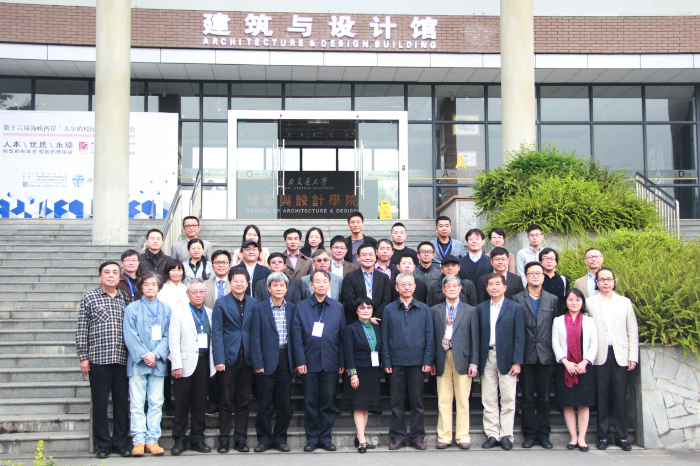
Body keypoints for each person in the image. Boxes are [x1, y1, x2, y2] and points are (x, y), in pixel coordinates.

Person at [76, 261, 132, 459]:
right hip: (98, 359)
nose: (111, 276)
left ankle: (121, 443)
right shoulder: (90, 297)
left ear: (119, 277)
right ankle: (103, 445)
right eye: (107, 272)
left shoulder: (124, 297)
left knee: (121, 403)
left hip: (122, 358)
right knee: (100, 404)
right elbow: (82, 328)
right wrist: (83, 357)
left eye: (115, 272)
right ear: (100, 277)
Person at [292, 270, 346, 452]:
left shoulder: (337, 307)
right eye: (318, 281)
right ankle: (313, 438)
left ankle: (325, 437)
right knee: (310, 402)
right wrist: (300, 361)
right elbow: (297, 337)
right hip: (309, 362)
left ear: (329, 285)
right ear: (311, 285)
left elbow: (342, 336)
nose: (321, 284)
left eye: (324, 281)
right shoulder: (301, 307)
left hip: (331, 362)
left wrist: (342, 361)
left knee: (328, 402)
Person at [587, 268, 639, 452]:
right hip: (599, 355)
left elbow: (632, 330)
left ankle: (621, 436)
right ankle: (603, 436)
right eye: (602, 279)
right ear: (597, 282)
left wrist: (633, 356)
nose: (606, 282)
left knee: (620, 397)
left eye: (609, 279)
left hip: (620, 355)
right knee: (601, 398)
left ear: (614, 281)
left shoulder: (624, 302)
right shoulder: (589, 302)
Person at [381, 273, 434, 451]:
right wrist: (386, 361)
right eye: (402, 285)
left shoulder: (424, 309)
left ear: (415, 287)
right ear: (396, 287)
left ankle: (417, 437)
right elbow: (385, 337)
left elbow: (429, 336)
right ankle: (398, 437)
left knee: (417, 403)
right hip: (396, 363)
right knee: (397, 403)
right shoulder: (389, 309)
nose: (406, 287)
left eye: (409, 284)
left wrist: (428, 360)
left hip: (417, 362)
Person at [123, 271, 171, 456]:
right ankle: (138, 440)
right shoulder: (132, 308)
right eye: (147, 284)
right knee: (137, 403)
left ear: (159, 288)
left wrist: (156, 354)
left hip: (158, 362)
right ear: (140, 288)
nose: (150, 288)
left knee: (156, 402)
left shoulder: (166, 309)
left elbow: (168, 334)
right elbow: (130, 335)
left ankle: (152, 439)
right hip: (138, 362)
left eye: (154, 284)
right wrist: (145, 355)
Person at [512, 262, 559, 449]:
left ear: (544, 277)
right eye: (532, 273)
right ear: (526, 277)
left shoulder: (552, 300)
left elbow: (556, 327)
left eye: (539, 273)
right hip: (526, 355)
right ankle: (529, 434)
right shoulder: (517, 299)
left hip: (547, 355)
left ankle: (544, 434)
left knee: (544, 398)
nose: (536, 276)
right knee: (527, 398)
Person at [212, 268, 258, 453]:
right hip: (228, 359)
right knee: (225, 401)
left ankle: (240, 439)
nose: (239, 284)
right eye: (235, 281)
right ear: (230, 283)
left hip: (247, 359)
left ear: (247, 283)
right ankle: (224, 439)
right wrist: (219, 358)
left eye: (242, 281)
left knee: (243, 402)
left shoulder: (254, 303)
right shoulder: (221, 303)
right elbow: (216, 332)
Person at [430, 275, 479, 450]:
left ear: (460, 289)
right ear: (443, 290)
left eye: (454, 286)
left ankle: (462, 436)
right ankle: (444, 436)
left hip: (463, 358)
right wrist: (431, 360)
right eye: (448, 286)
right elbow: (431, 338)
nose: (451, 289)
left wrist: (474, 362)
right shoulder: (434, 310)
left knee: (463, 400)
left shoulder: (470, 310)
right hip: (442, 358)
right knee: (443, 399)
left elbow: (475, 338)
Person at [477, 273, 525, 451]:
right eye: (491, 284)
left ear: (505, 287)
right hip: (487, 356)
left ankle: (506, 435)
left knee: (508, 397)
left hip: (507, 357)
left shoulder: (515, 308)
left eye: (498, 284)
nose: (494, 287)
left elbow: (520, 336)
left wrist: (517, 361)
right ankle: (492, 434)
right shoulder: (480, 308)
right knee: (488, 398)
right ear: (487, 288)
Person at [250, 272, 297, 453]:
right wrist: (257, 363)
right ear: (269, 289)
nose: (278, 288)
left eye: (281, 285)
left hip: (285, 359)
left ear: (286, 288)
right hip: (265, 360)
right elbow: (255, 338)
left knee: (284, 404)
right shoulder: (259, 308)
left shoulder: (292, 308)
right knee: (264, 403)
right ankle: (264, 439)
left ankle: (280, 438)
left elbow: (296, 337)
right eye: (275, 285)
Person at [168, 279, 216, 455]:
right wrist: (176, 364)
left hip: (204, 362)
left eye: (201, 292)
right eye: (194, 292)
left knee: (200, 403)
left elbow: (214, 339)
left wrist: (213, 366)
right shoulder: (179, 312)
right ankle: (179, 439)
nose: (198, 295)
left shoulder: (210, 313)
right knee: (181, 403)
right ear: (187, 294)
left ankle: (197, 438)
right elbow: (173, 339)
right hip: (184, 363)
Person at [552, 288, 598, 453]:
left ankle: (582, 438)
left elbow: (594, 343)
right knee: (568, 404)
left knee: (584, 404)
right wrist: (566, 362)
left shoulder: (589, 321)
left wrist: (585, 362)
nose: (574, 303)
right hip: (565, 368)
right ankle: (573, 437)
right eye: (571, 299)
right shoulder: (558, 321)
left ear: (582, 302)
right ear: (566, 302)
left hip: (584, 368)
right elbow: (555, 343)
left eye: (577, 300)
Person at [341, 298, 382, 453]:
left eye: (368, 308)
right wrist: (352, 374)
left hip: (372, 370)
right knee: (358, 405)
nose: (365, 310)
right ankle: (362, 440)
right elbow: (348, 353)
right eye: (362, 307)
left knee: (366, 406)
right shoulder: (350, 329)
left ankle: (360, 436)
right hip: (358, 371)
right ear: (356, 311)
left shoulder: (377, 328)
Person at [157, 259, 188, 416]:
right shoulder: (162, 290)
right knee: (168, 371)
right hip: (167, 332)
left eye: (179, 269)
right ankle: (168, 404)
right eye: (173, 270)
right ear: (167, 272)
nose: (177, 273)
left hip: (185, 334)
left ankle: (182, 404)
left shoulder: (186, 288)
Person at [341, 243, 392, 324]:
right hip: (355, 321)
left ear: (375, 257)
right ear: (358, 258)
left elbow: (386, 301)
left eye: (371, 255)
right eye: (364, 255)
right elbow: (349, 301)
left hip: (378, 321)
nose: (367, 258)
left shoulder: (384, 278)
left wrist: (374, 318)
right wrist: (365, 317)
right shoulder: (350, 277)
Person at [540, 248, 569, 312]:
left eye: (551, 258)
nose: (549, 261)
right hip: (542, 315)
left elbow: (567, 298)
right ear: (540, 262)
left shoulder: (563, 280)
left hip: (560, 315)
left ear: (556, 262)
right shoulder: (537, 279)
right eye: (545, 258)